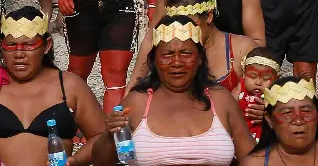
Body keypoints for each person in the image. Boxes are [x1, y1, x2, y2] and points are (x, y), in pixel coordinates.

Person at [95, 16, 256, 165]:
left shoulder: (221, 99)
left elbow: (251, 159)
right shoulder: (136, 102)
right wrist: (110, 135)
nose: (177, 62)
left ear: (200, 58)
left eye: (186, 53)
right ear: (154, 60)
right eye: (168, 54)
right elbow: (101, 162)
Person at [0, 7, 105, 163]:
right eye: (11, 45)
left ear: (47, 46)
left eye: (28, 45)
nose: (19, 54)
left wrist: (76, 161)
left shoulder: (69, 86)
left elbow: (101, 136)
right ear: (1, 45)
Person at [240, 76, 318, 166]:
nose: (298, 120)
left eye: (306, 111)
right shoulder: (254, 163)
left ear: (317, 114)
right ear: (269, 119)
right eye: (287, 113)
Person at [236, 47, 281, 140]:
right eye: (253, 76)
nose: (258, 82)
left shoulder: (276, 94)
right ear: (244, 74)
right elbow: (228, 106)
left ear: (277, 79)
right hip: (240, 133)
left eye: (265, 78)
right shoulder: (240, 87)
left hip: (264, 136)